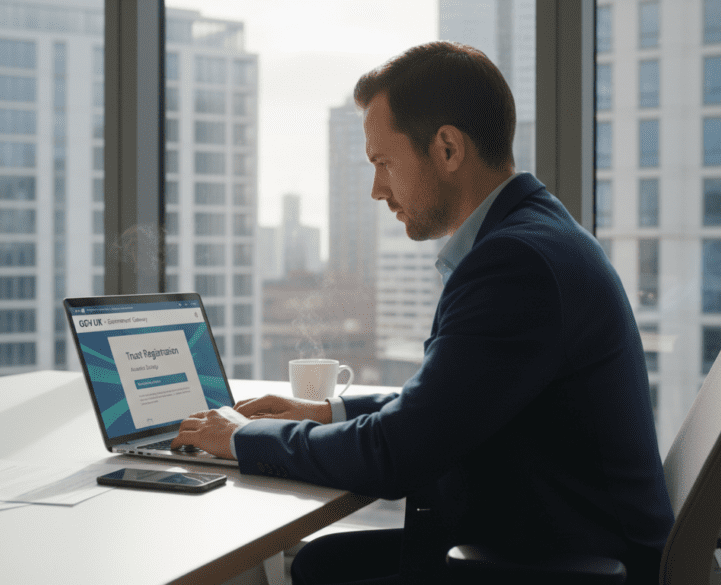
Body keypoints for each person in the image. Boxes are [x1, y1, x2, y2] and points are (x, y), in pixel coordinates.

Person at [172, 41, 674, 584]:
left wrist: (240, 439)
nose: (375, 189)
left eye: (384, 163)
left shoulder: (516, 263)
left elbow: (396, 453)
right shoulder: (535, 234)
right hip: (557, 539)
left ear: (448, 149)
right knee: (320, 564)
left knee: (315, 570)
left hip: (559, 562)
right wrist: (321, 412)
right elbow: (450, 400)